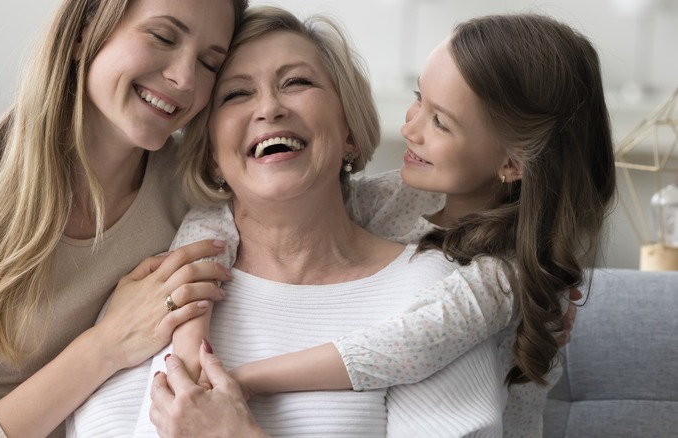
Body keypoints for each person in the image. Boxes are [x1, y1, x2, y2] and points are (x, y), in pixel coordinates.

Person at [149, 8, 615, 438]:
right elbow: (217, 220)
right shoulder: (398, 200)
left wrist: (242, 379)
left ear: (512, 163)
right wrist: (190, 338)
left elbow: (389, 351)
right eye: (418, 99)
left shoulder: (499, 278)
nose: (409, 129)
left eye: (441, 122)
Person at [69, 6, 520, 437]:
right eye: (237, 94)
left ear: (348, 129)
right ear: (210, 155)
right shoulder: (157, 294)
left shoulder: (431, 292)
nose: (269, 108)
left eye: (297, 82)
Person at [0, 0, 249, 436]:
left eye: (209, 63)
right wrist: (106, 345)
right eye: (163, 37)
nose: (185, 79)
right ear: (84, 30)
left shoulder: (197, 194)